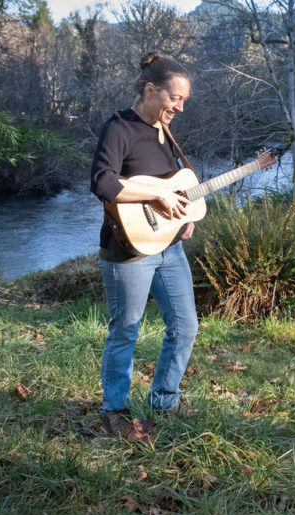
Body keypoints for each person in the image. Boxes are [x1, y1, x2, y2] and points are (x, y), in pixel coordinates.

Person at [90, 51, 199, 436]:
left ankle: (164, 400)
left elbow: (173, 185)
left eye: (183, 101)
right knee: (126, 330)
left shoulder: (164, 133)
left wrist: (183, 217)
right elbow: (103, 182)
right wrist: (154, 199)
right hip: (127, 253)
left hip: (169, 248)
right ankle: (114, 410)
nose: (179, 108)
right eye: (175, 98)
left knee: (185, 326)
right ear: (151, 90)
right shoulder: (119, 127)